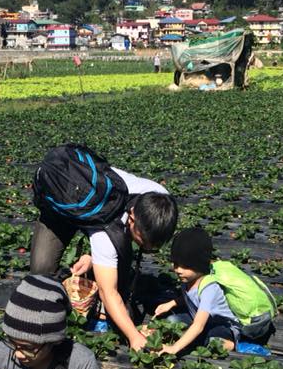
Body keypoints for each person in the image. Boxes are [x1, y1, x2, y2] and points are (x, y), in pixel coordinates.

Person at [29, 146, 178, 351]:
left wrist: (91, 257)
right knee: (40, 273)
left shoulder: (160, 200)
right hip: (61, 207)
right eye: (143, 240)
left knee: (114, 261)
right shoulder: (105, 237)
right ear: (132, 216)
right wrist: (134, 336)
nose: (147, 247)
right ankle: (70, 297)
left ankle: (93, 271)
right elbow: (110, 293)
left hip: (94, 212)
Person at [154, 227, 275, 355]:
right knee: (172, 321)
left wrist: (174, 348)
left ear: (199, 265)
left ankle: (235, 344)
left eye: (185, 266)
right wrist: (171, 303)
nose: (178, 270)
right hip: (200, 317)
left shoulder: (209, 289)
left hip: (222, 326)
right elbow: (190, 298)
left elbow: (198, 325)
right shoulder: (187, 279)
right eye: (175, 264)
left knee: (211, 340)